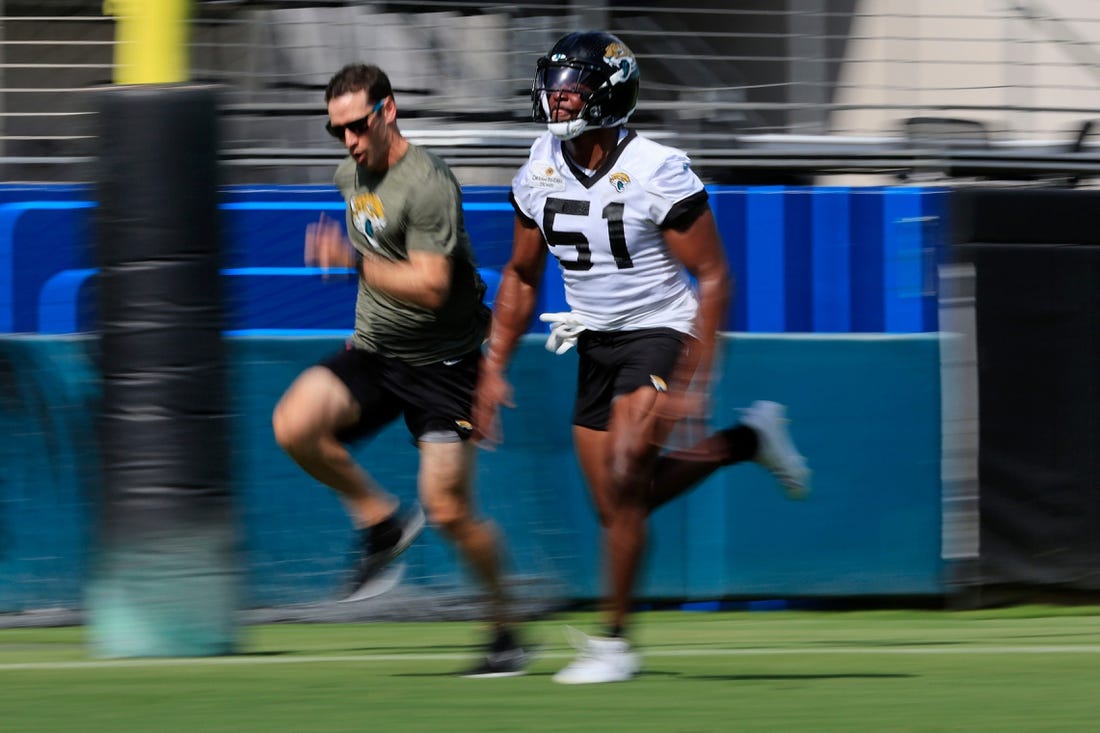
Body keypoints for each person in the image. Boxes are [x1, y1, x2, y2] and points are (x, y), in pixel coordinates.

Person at [472, 31, 811, 685]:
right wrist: (493, 364)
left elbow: (713, 276)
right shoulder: (538, 166)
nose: (557, 97)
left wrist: (695, 379)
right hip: (594, 338)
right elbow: (518, 273)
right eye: (555, 84)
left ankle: (615, 644)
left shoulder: (657, 167)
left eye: (572, 86)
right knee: (620, 504)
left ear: (608, 91)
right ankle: (747, 440)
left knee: (628, 474)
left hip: (661, 328)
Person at [272, 63, 528, 677]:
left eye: (357, 126)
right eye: (337, 131)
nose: (349, 141)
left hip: (445, 367)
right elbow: (377, 252)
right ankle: (381, 522)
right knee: (293, 425)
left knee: (447, 513)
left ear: (388, 111)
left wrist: (350, 265)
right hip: (375, 352)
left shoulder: (429, 183)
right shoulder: (349, 174)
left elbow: (433, 287)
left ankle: (506, 630)